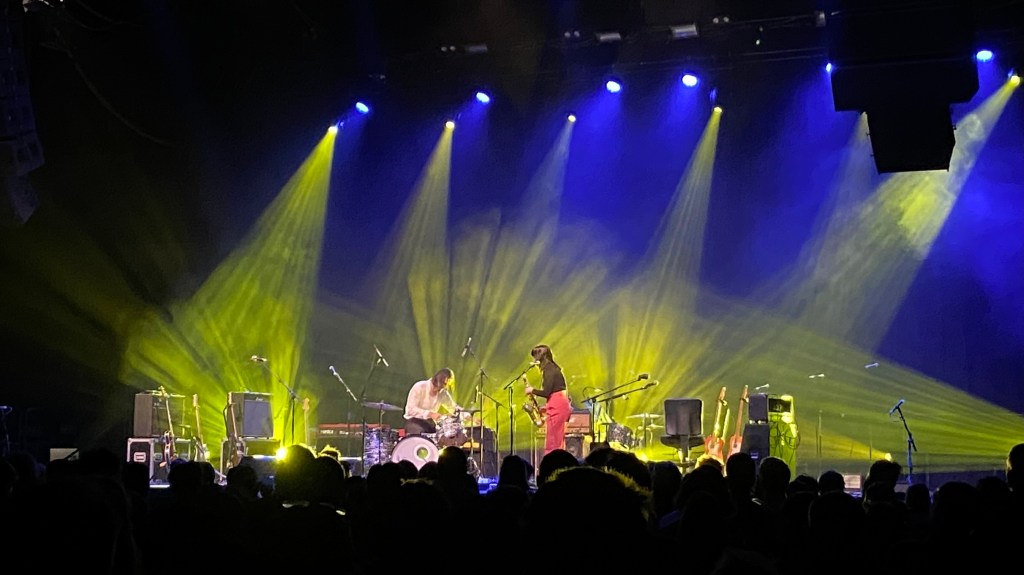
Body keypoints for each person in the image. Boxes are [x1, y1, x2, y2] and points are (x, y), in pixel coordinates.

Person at [524, 344, 571, 456]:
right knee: (556, 441)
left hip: (557, 405)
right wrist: (546, 408)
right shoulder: (552, 368)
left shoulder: (549, 369)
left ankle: (551, 464)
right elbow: (555, 392)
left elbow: (547, 392)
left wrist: (532, 390)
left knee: (553, 443)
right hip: (558, 404)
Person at [403, 367, 462, 436]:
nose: (444, 388)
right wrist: (430, 414)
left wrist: (467, 414)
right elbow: (410, 409)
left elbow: (453, 407)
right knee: (420, 436)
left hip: (430, 424)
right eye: (444, 384)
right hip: (414, 422)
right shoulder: (420, 386)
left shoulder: (443, 393)